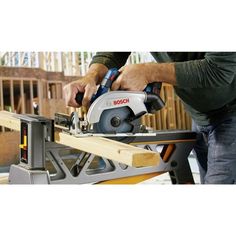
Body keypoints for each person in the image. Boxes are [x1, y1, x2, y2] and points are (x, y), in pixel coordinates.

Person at [63, 52, 236, 184]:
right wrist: (91, 77)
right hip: (200, 114)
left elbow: (219, 69)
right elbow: (114, 51)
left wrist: (149, 72)